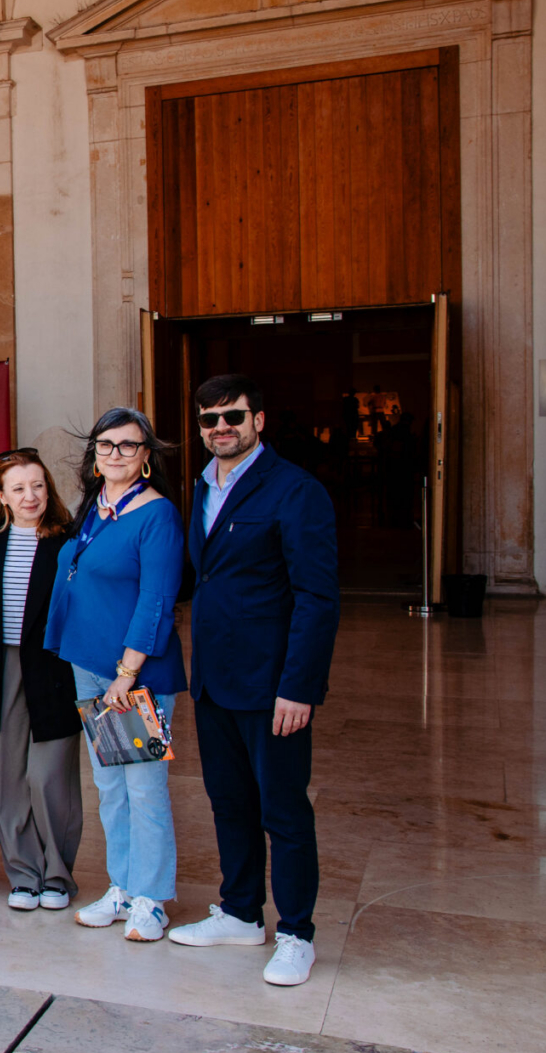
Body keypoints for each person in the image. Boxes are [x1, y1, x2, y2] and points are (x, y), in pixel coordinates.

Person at [168, 374, 338, 988]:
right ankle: (241, 913)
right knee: (229, 804)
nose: (221, 428)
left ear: (258, 420)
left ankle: (296, 932)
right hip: (214, 681)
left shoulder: (296, 490)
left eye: (233, 417)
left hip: (272, 687)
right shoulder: (202, 489)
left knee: (284, 811)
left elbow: (317, 598)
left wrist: (300, 687)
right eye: (209, 419)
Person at [43, 406, 187, 943]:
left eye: (128, 446)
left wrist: (128, 672)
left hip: (133, 674)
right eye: (106, 445)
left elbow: (156, 599)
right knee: (111, 784)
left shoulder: (156, 515)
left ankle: (151, 899)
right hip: (89, 666)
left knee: (145, 786)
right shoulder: (97, 510)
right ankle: (122, 886)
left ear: (146, 457)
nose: (116, 454)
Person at [0, 448, 83, 912]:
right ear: (0, 495)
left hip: (54, 668)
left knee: (49, 777)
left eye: (38, 486)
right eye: (19, 488)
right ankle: (23, 874)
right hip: (1, 666)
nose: (30, 496)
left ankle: (58, 876)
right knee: (10, 776)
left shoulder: (70, 540)